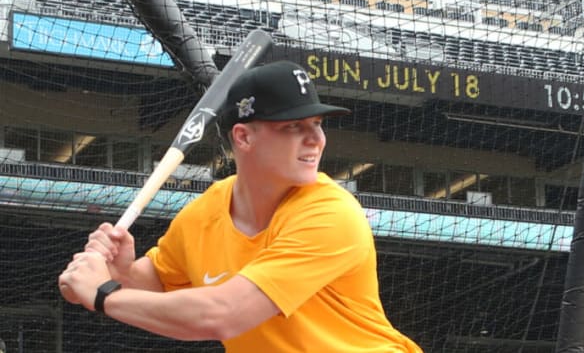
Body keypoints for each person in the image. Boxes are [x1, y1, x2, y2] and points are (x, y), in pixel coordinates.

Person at [58, 60, 422, 352]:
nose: (316, 139)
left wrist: (104, 294)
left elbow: (223, 315)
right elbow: (153, 286)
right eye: (294, 126)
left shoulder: (330, 214)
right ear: (244, 137)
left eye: (317, 123)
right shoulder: (207, 211)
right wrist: (122, 272)